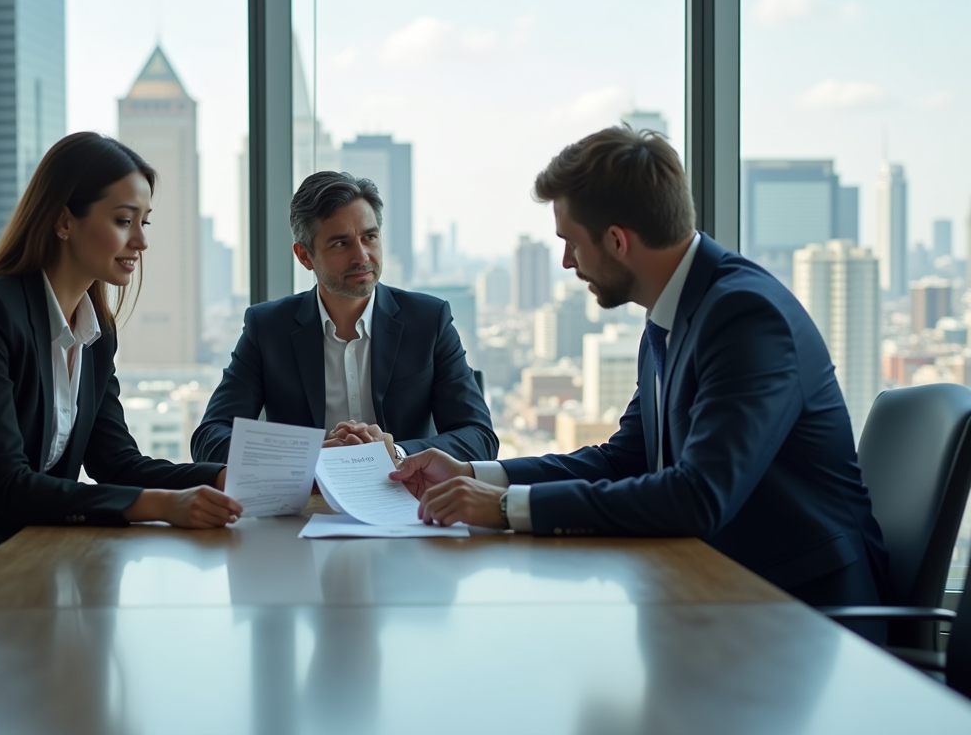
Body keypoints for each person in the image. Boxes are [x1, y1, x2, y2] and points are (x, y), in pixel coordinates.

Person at [390, 126, 889, 617]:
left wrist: (502, 509)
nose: (566, 262)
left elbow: (698, 496)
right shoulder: (673, 314)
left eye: (571, 243)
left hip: (804, 614)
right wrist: (479, 475)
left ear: (616, 240)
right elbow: (623, 459)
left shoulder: (747, 318)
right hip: (717, 590)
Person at [0, 132, 243, 598]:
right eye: (122, 220)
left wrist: (219, 476)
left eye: (144, 223)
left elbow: (117, 462)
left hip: (12, 575)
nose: (140, 241)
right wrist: (160, 505)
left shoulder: (95, 334)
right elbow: (6, 488)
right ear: (63, 221)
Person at [192, 170, 496, 465]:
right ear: (304, 256)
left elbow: (479, 438)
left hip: (405, 500)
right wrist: (309, 457)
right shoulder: (268, 328)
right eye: (341, 243)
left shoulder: (429, 320)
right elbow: (210, 438)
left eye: (370, 237)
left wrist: (398, 454)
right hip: (307, 504)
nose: (362, 256)